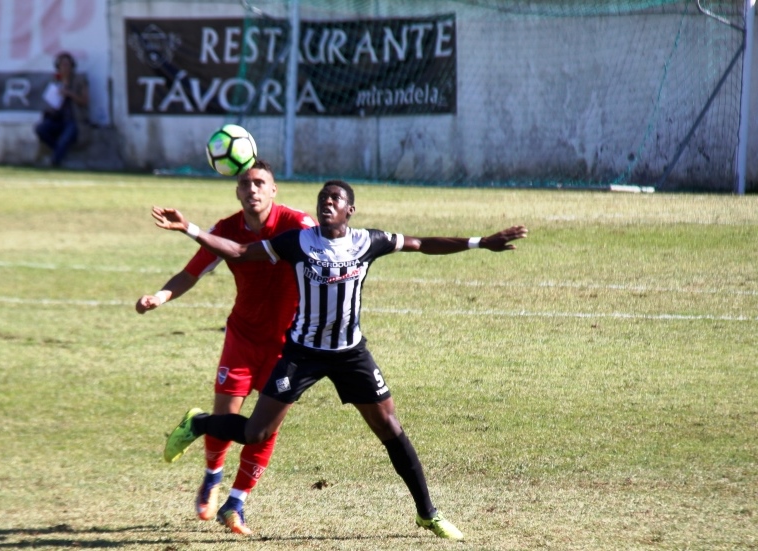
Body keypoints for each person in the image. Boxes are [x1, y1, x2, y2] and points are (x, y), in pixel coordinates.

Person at [155, 180, 528, 540]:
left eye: (335, 198)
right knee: (256, 432)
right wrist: (189, 228)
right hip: (303, 354)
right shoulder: (297, 242)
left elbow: (422, 243)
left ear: (350, 209)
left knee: (390, 428)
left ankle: (428, 513)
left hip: (351, 354)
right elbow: (237, 252)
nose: (327, 202)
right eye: (322, 198)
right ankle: (201, 422)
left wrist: (481, 243)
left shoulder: (369, 241)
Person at [136, 159, 315, 535]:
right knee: (225, 414)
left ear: (273, 190)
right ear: (237, 191)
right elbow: (190, 272)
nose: (253, 189)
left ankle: (236, 503)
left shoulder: (297, 224)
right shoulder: (226, 230)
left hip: (288, 346)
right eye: (246, 183)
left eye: (260, 183)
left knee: (265, 428)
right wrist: (160, 296)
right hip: (243, 338)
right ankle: (212, 476)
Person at [35, 51, 89, 167]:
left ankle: (55, 160)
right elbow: (48, 103)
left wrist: (69, 94)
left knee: (66, 137)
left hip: (74, 120)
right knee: (41, 129)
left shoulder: (79, 80)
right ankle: (58, 152)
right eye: (62, 65)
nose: (65, 68)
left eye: (67, 65)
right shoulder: (54, 81)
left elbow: (85, 101)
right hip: (57, 119)